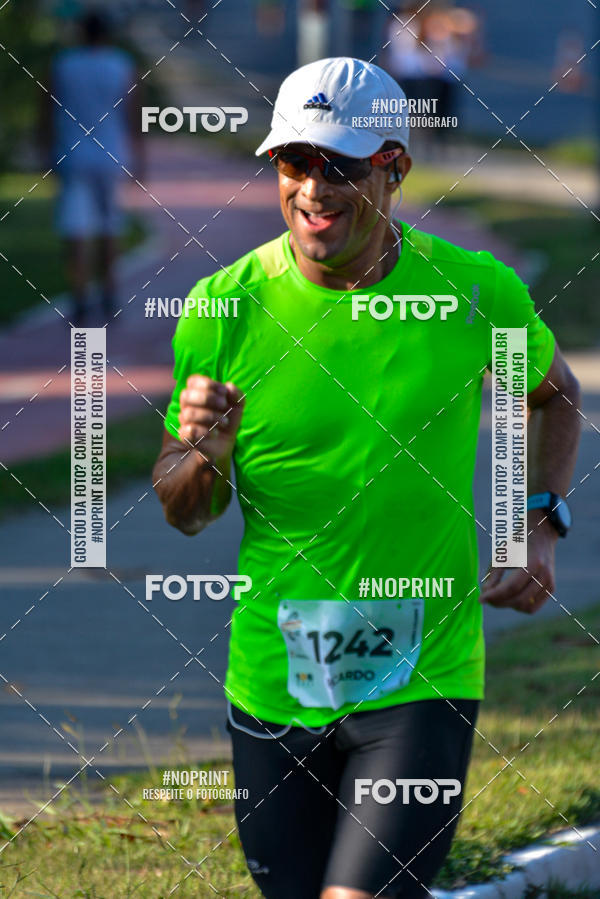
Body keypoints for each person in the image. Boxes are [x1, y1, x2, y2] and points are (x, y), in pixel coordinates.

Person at [153, 57, 581, 898]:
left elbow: (556, 395)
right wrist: (202, 453)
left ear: (395, 168)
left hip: (423, 668)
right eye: (294, 162)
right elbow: (185, 512)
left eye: (340, 165)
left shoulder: (472, 293)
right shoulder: (222, 308)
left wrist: (539, 521)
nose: (313, 188)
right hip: (272, 675)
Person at [40, 9, 143, 325]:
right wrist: (141, 158)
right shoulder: (122, 65)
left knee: (76, 228)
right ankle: (110, 293)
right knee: (110, 226)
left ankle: (80, 296)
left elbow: (45, 110)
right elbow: (134, 115)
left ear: (80, 32)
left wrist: (44, 150)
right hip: (111, 155)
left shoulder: (62, 65)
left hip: (72, 155)